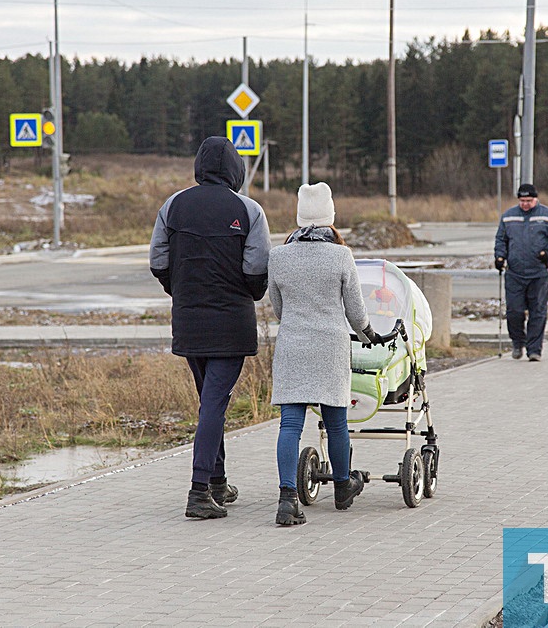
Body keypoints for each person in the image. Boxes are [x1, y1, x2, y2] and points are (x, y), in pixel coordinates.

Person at [149, 136, 272, 519]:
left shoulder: (174, 205)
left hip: (188, 320)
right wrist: (247, 294)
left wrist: (180, 289)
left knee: (210, 403)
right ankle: (199, 491)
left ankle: (217, 482)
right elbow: (256, 269)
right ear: (236, 169)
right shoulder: (249, 210)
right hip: (231, 324)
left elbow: (157, 260)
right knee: (214, 404)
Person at [267, 182, 383, 526]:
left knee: (290, 423)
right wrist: (369, 334)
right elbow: (356, 312)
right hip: (330, 347)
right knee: (336, 423)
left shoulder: (280, 255)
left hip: (292, 345)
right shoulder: (340, 255)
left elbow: (277, 308)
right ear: (330, 217)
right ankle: (343, 487)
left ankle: (287, 498)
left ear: (300, 216)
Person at [494, 182, 548, 362]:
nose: (525, 204)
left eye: (529, 200)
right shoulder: (509, 216)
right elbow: (501, 239)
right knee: (514, 311)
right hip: (515, 272)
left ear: (536, 199)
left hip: (539, 272)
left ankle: (534, 349)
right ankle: (518, 342)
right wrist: (499, 257)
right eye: (522, 200)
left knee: (538, 311)